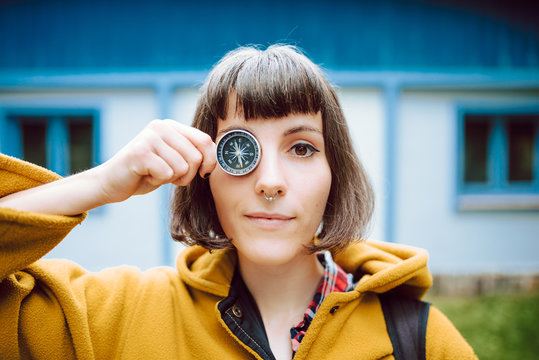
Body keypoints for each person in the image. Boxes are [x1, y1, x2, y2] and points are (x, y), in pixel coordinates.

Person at [0, 45, 476, 360]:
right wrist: (102, 182)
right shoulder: (116, 317)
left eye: (302, 148)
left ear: (336, 175)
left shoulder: (421, 342)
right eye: (241, 148)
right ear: (203, 170)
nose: (270, 182)